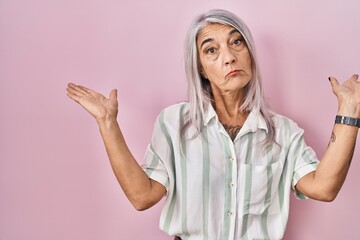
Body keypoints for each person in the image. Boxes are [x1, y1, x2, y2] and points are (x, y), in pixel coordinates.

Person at [66, 9, 359, 240]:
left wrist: (349, 110)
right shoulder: (174, 124)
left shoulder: (284, 133)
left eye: (236, 42)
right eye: (211, 50)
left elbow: (324, 188)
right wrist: (107, 122)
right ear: (201, 69)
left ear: (250, 53)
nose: (229, 56)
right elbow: (143, 196)